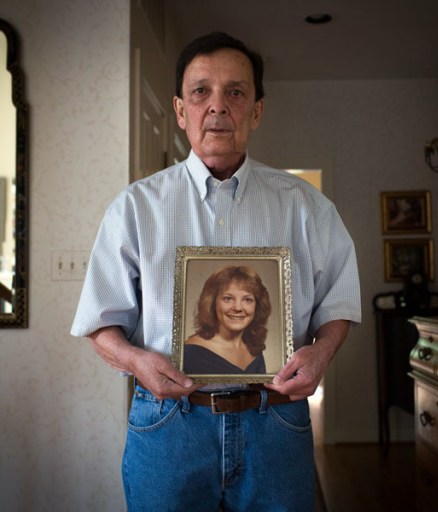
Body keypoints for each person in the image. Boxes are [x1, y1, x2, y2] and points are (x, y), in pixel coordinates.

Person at [71, 31, 361, 512]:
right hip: (169, 425)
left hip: (276, 423)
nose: (218, 106)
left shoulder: (307, 206)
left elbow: (340, 300)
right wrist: (137, 363)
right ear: (180, 110)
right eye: (201, 91)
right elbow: (100, 323)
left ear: (257, 110)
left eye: (236, 92)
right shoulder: (135, 208)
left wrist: (322, 352)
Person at [184, 265, 270, 375]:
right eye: (228, 299)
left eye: (247, 300)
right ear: (212, 303)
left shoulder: (254, 350)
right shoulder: (191, 353)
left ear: (257, 306)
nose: (238, 308)